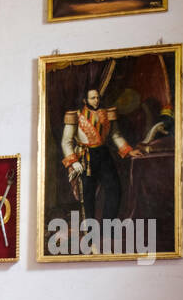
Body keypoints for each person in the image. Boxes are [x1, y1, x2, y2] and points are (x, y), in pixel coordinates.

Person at [60, 87, 143, 221]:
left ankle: (107, 226)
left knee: (114, 188)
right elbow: (66, 142)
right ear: (85, 100)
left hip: (104, 154)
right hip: (85, 157)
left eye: (98, 97)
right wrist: (74, 162)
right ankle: (91, 232)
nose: (96, 100)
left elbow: (116, 135)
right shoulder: (75, 115)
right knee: (88, 194)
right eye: (93, 98)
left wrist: (128, 150)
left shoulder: (107, 113)